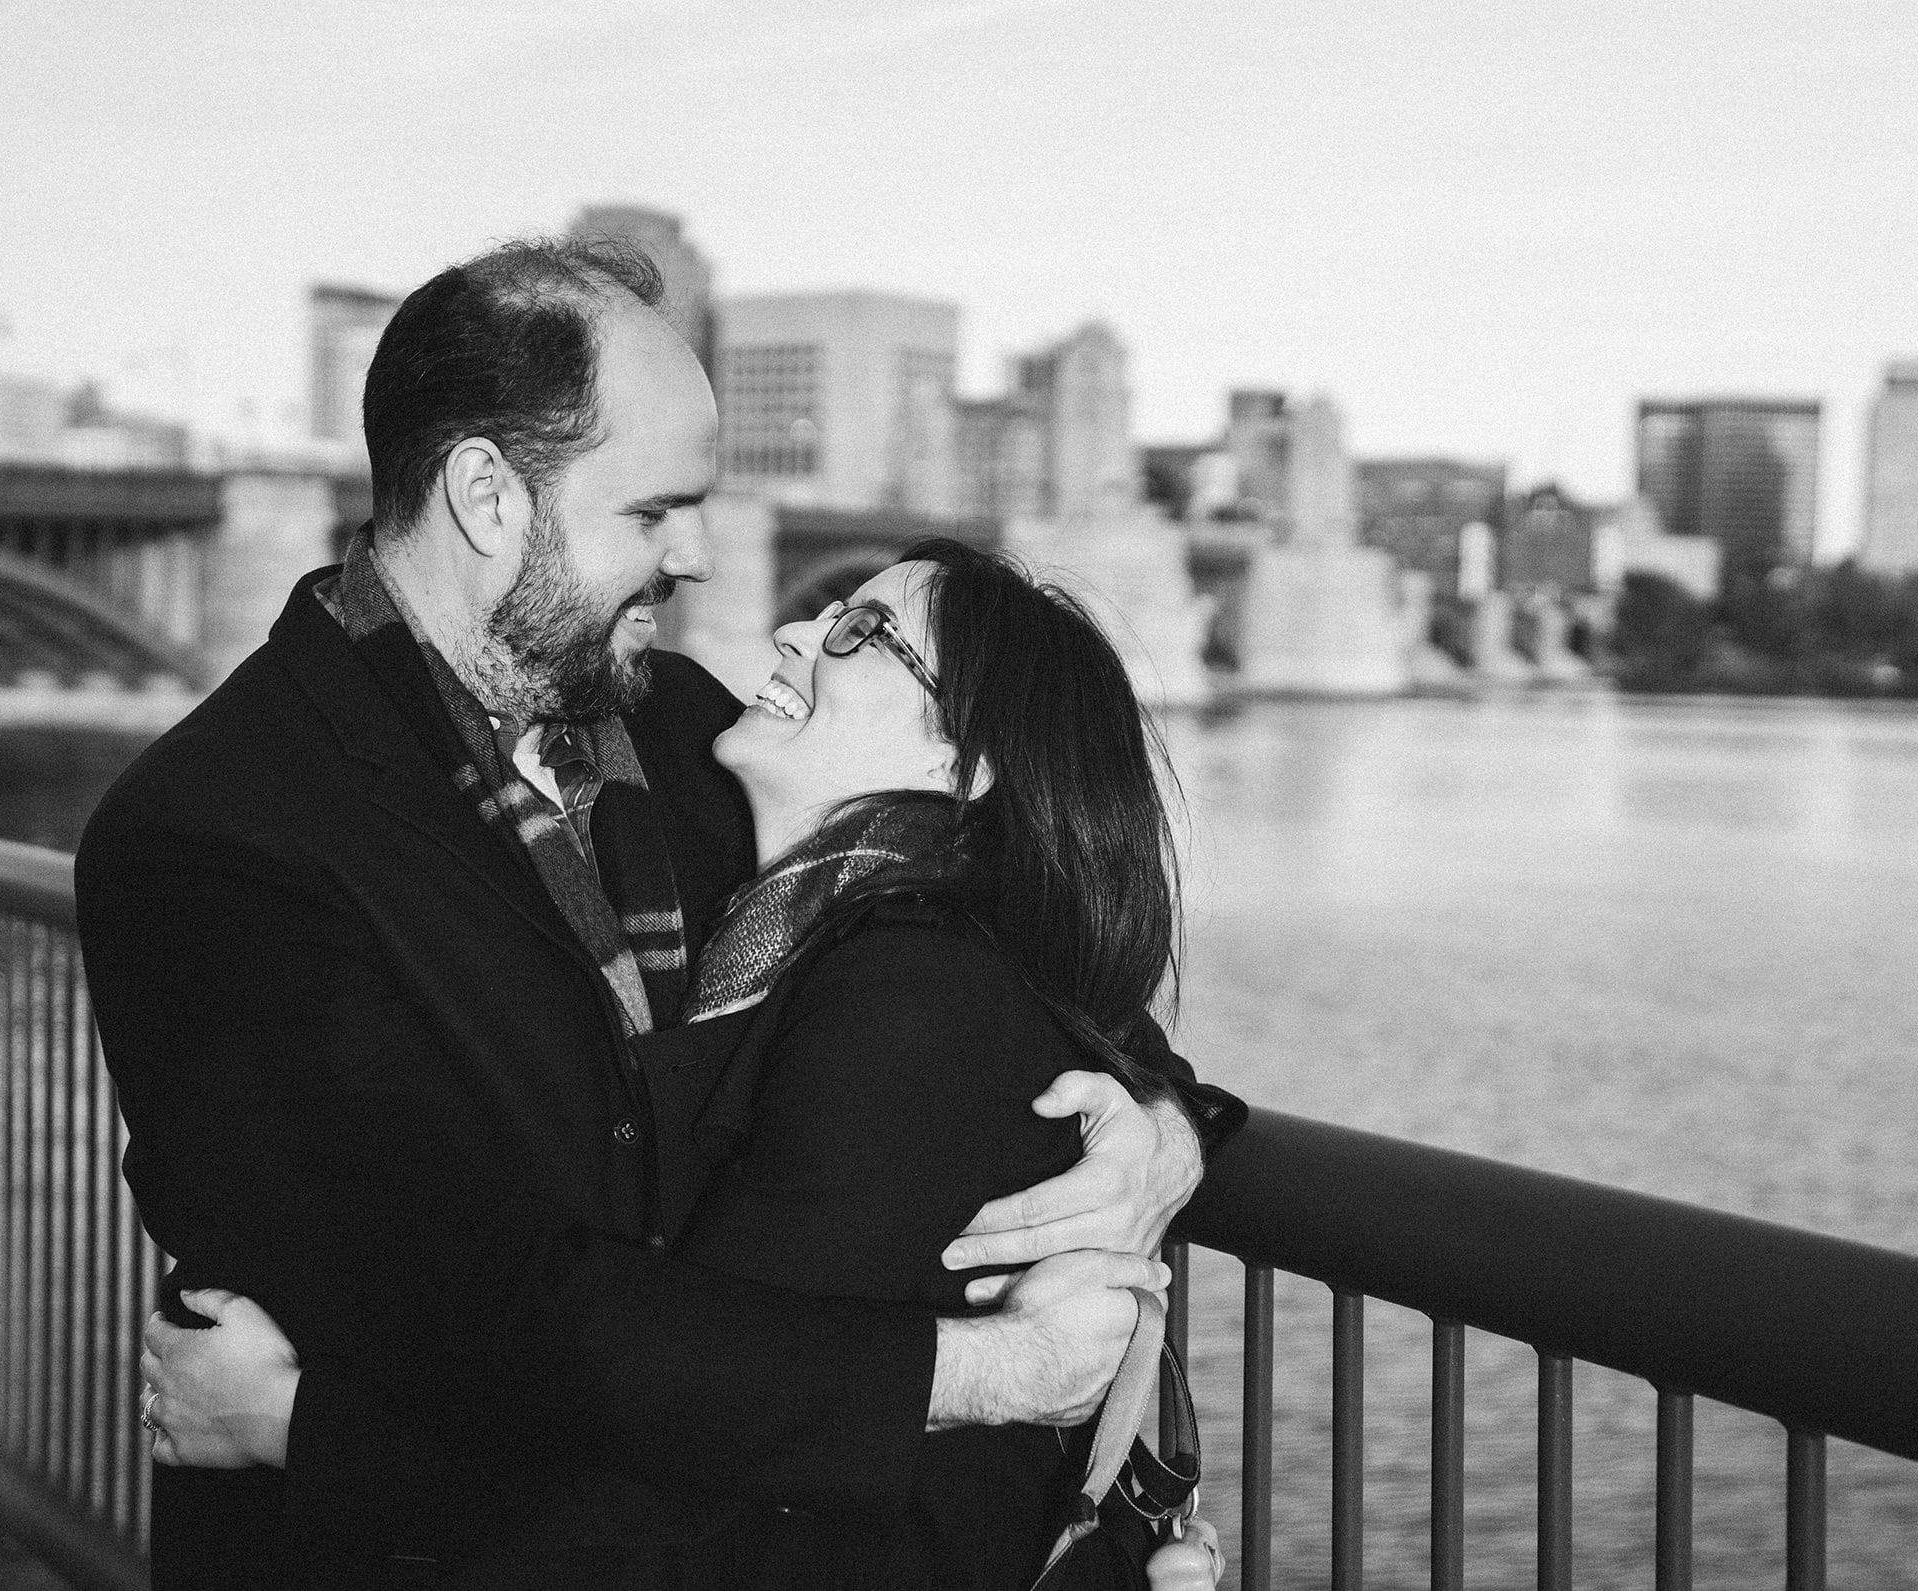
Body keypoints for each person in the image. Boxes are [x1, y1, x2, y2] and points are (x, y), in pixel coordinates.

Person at [75, 235, 1238, 1588]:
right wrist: (989, 1369)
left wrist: (1162, 1135)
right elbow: (496, 1311)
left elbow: (1012, 953)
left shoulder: (690, 736)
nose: (696, 556)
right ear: (486, 493)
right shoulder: (214, 835)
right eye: (652, 510)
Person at [150, 540, 1201, 1585]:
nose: (794, 631)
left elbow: (698, 1472)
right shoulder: (785, 884)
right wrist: (1169, 1126)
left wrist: (298, 1429)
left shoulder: (906, 997)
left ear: (966, 766)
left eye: (861, 634)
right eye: (827, 610)